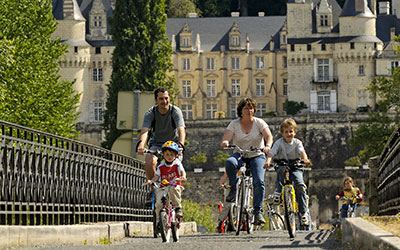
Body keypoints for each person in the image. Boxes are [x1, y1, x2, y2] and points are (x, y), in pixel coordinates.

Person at [221, 97, 273, 225]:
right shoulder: (234, 124)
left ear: (254, 110)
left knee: (259, 181)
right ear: (241, 110)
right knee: (230, 163)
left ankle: (257, 211)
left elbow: (268, 136)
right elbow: (227, 136)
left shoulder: (259, 123)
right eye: (246, 108)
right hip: (240, 153)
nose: (249, 110)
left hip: (257, 155)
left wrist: (267, 145)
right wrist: (226, 142)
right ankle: (233, 187)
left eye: (251, 108)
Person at [137, 87, 186, 203]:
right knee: (149, 161)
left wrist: (181, 145)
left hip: (172, 146)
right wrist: (141, 145)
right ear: (156, 100)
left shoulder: (175, 111)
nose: (164, 101)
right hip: (157, 144)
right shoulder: (151, 113)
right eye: (161, 99)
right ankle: (153, 190)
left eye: (166, 98)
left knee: (174, 167)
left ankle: (175, 195)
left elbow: (181, 130)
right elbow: (145, 130)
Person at [265, 118, 311, 226]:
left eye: (291, 131)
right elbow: (271, 153)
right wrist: (268, 162)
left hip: (295, 165)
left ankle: (303, 212)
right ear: (282, 133)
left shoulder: (297, 142)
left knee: (300, 184)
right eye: (286, 132)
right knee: (281, 171)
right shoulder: (279, 143)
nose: (289, 134)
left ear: (295, 132)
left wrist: (305, 159)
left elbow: (302, 152)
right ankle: (278, 191)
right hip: (282, 163)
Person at [146, 141, 186, 220]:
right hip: (164, 187)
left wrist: (183, 176)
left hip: (174, 185)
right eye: (167, 154)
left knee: (173, 189)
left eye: (171, 154)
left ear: (175, 155)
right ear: (163, 155)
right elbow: (156, 177)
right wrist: (151, 181)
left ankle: (178, 208)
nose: (169, 157)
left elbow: (182, 171)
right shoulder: (161, 166)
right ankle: (158, 220)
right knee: (158, 204)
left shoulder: (177, 163)